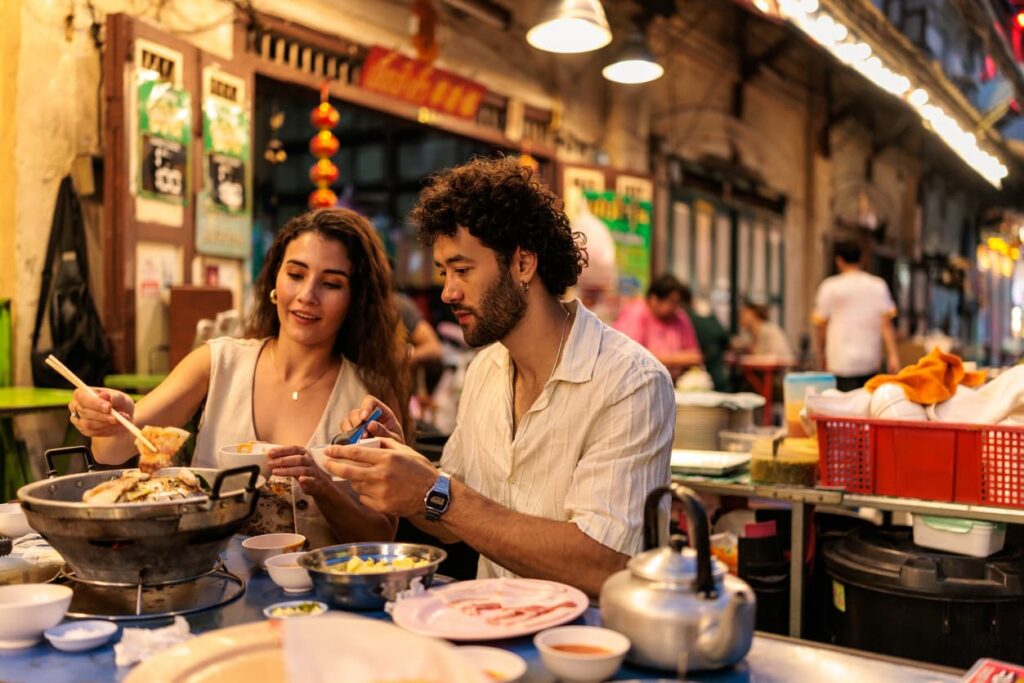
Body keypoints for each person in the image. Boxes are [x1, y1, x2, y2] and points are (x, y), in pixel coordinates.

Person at [323, 156, 675, 598]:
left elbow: (602, 565)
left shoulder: (631, 383)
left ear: (523, 263)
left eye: (463, 270)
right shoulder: (485, 371)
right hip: (489, 634)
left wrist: (435, 492)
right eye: (444, 273)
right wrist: (403, 463)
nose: (448, 291)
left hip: (587, 652)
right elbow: (452, 523)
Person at [67, 208, 405, 548]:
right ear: (275, 280)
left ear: (354, 300)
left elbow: (380, 535)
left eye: (331, 283)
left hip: (318, 596)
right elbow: (116, 447)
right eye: (296, 274)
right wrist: (112, 415)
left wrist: (321, 485)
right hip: (208, 584)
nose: (307, 295)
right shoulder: (218, 363)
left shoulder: (368, 397)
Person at [812, 240, 900, 392]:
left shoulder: (829, 287)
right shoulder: (878, 285)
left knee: (842, 410)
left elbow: (821, 326)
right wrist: (893, 356)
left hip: (839, 360)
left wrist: (821, 355)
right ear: (862, 258)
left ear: (839, 260)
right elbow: (886, 325)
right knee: (866, 410)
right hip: (870, 360)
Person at [614, 274, 703, 380]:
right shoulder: (635, 313)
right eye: (671, 302)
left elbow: (694, 357)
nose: (675, 307)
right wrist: (678, 358)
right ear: (654, 300)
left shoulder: (680, 317)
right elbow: (631, 356)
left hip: (675, 383)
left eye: (678, 303)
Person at [680, 285, 731, 391]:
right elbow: (725, 338)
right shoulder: (705, 314)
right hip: (714, 369)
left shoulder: (682, 317)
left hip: (700, 369)